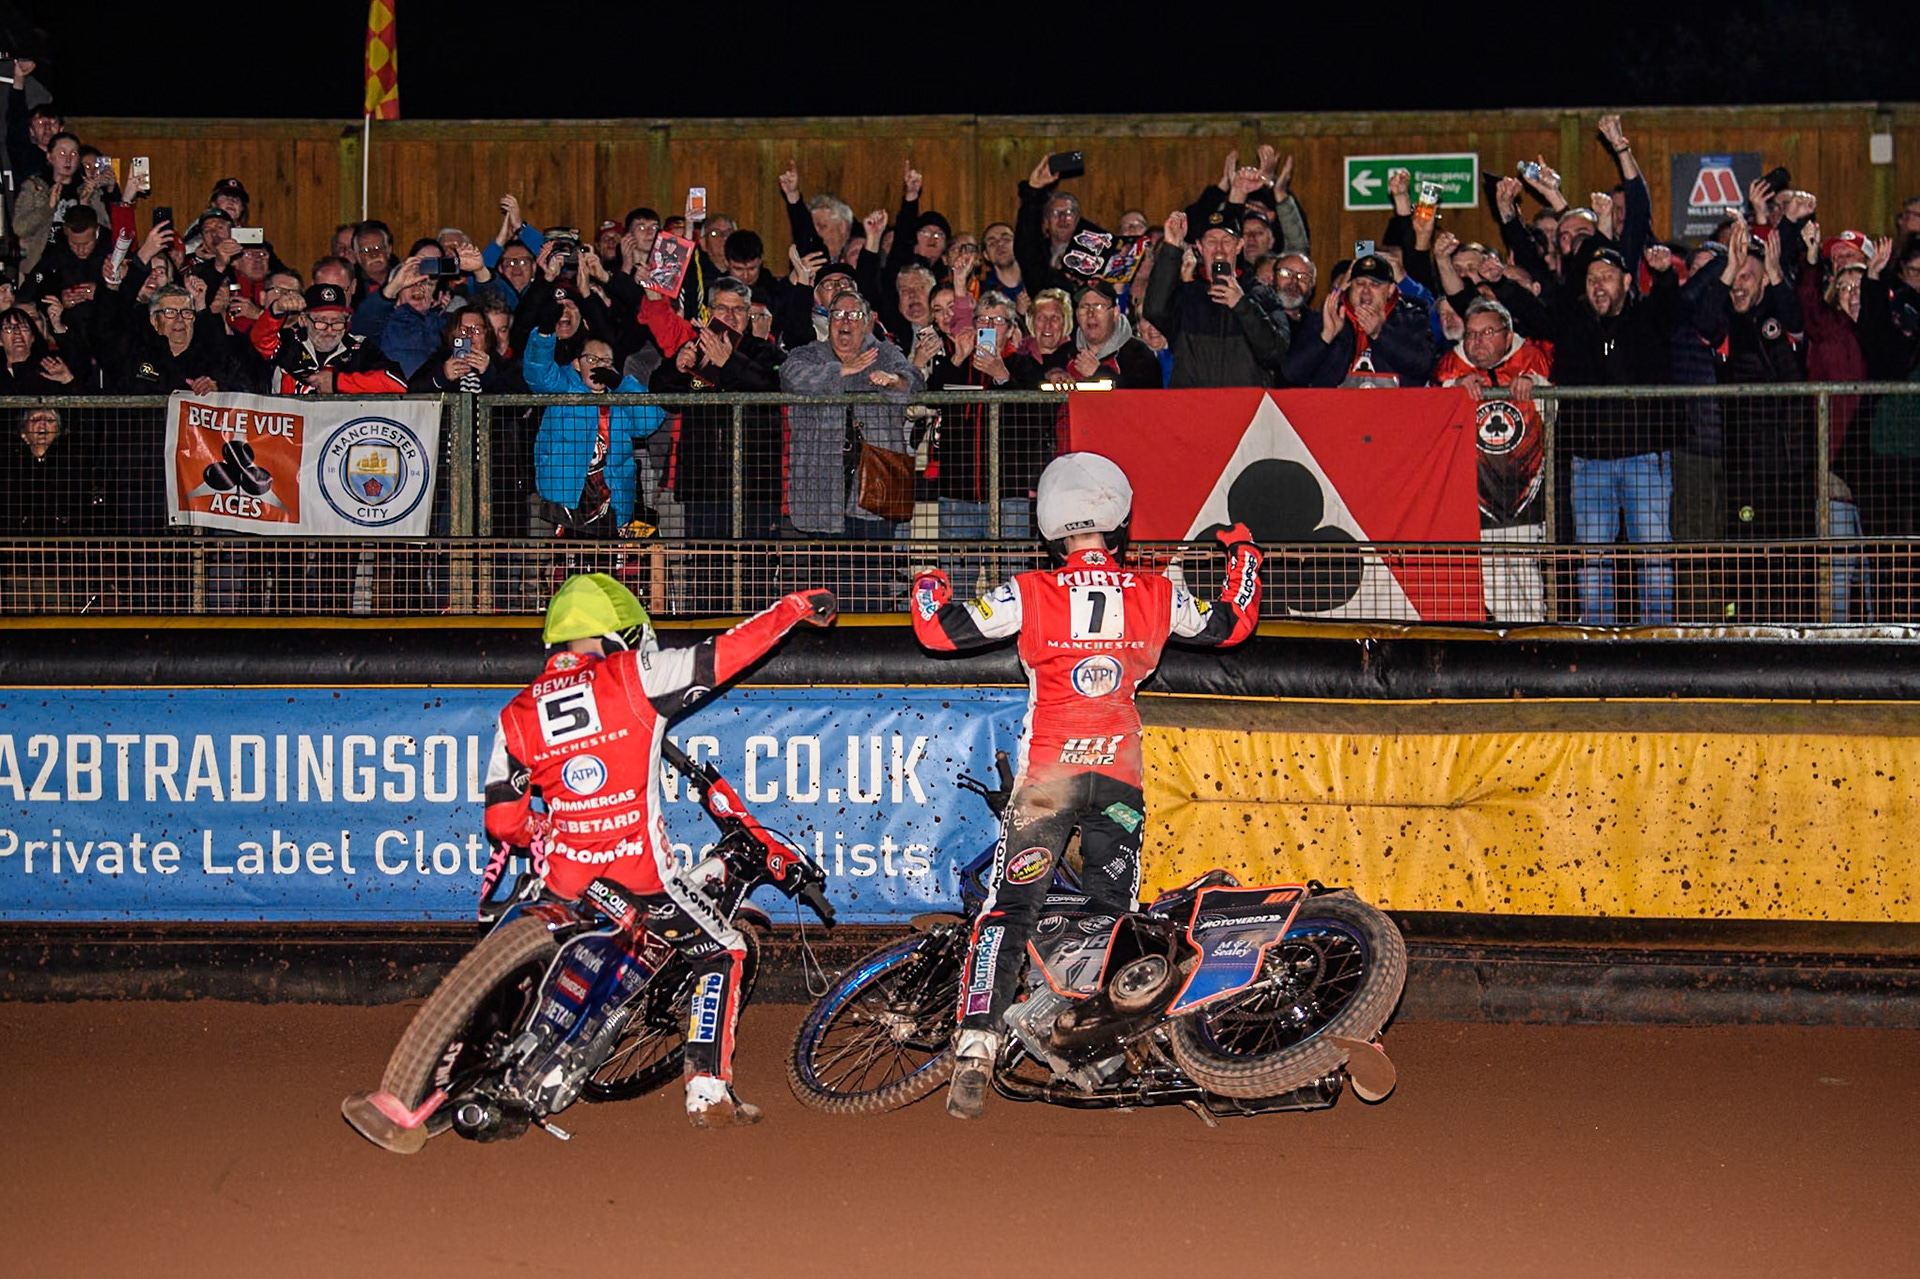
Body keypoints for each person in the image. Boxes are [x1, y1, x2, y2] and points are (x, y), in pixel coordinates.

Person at [341, 574, 839, 1148]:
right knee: (723, 949)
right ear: (616, 635)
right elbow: (726, 653)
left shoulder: (517, 713)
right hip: (637, 875)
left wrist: (545, 828)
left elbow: (504, 824)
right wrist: (793, 607)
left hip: (566, 875)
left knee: (524, 907)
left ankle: (438, 1078)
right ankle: (708, 1090)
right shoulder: (634, 675)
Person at [909, 453, 1264, 1119]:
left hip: (1050, 780)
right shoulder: (1156, 592)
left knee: (1009, 910)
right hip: (1119, 781)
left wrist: (929, 579)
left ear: (1050, 524)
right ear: (1119, 517)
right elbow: (1230, 622)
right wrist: (1244, 554)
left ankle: (976, 1046)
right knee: (1109, 917)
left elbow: (937, 627)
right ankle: (1091, 1045)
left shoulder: (1030, 590)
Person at [1433, 296, 1555, 622]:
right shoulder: (1451, 366)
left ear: (1507, 333)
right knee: (1488, 577)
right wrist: (1454, 388)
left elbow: (1556, 406)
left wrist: (1535, 386)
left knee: (1525, 575)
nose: (1477, 341)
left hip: (1524, 493)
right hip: (1476, 497)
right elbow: (1430, 409)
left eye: (1487, 333)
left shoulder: (1533, 361)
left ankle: (1532, 642)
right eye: (1471, 334)